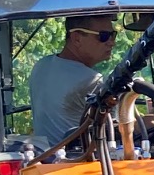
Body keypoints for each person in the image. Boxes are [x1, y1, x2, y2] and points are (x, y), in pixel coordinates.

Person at [29, 14, 116, 151]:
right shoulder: (92, 81)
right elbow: (122, 129)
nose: (111, 42)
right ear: (76, 38)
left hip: (45, 157)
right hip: (77, 160)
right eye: (103, 36)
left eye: (113, 35)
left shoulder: (41, 66)